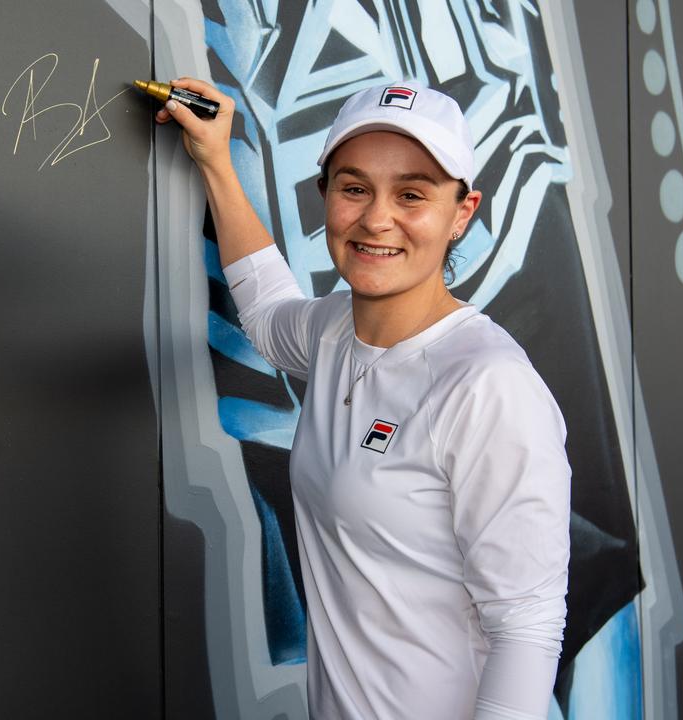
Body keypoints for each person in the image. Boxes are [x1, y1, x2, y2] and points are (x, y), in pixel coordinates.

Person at [156, 78, 571, 720]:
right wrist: (216, 159)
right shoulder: (332, 334)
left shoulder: (487, 386)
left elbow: (527, 627)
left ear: (462, 212)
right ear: (327, 197)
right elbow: (268, 312)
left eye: (412, 194)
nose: (377, 218)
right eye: (355, 189)